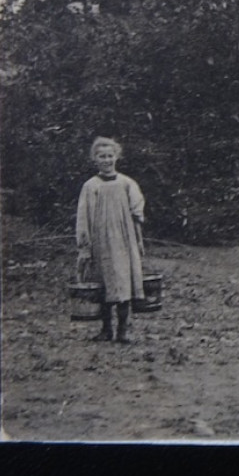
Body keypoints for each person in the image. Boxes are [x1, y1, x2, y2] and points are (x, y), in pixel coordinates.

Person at [75, 136, 146, 343]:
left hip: (125, 241)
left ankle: (123, 330)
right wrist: (84, 246)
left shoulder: (127, 183)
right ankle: (106, 329)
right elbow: (83, 217)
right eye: (101, 156)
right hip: (101, 242)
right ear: (94, 159)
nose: (106, 160)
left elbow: (136, 214)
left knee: (124, 282)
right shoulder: (90, 186)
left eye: (110, 156)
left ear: (116, 157)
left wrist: (139, 241)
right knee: (103, 283)